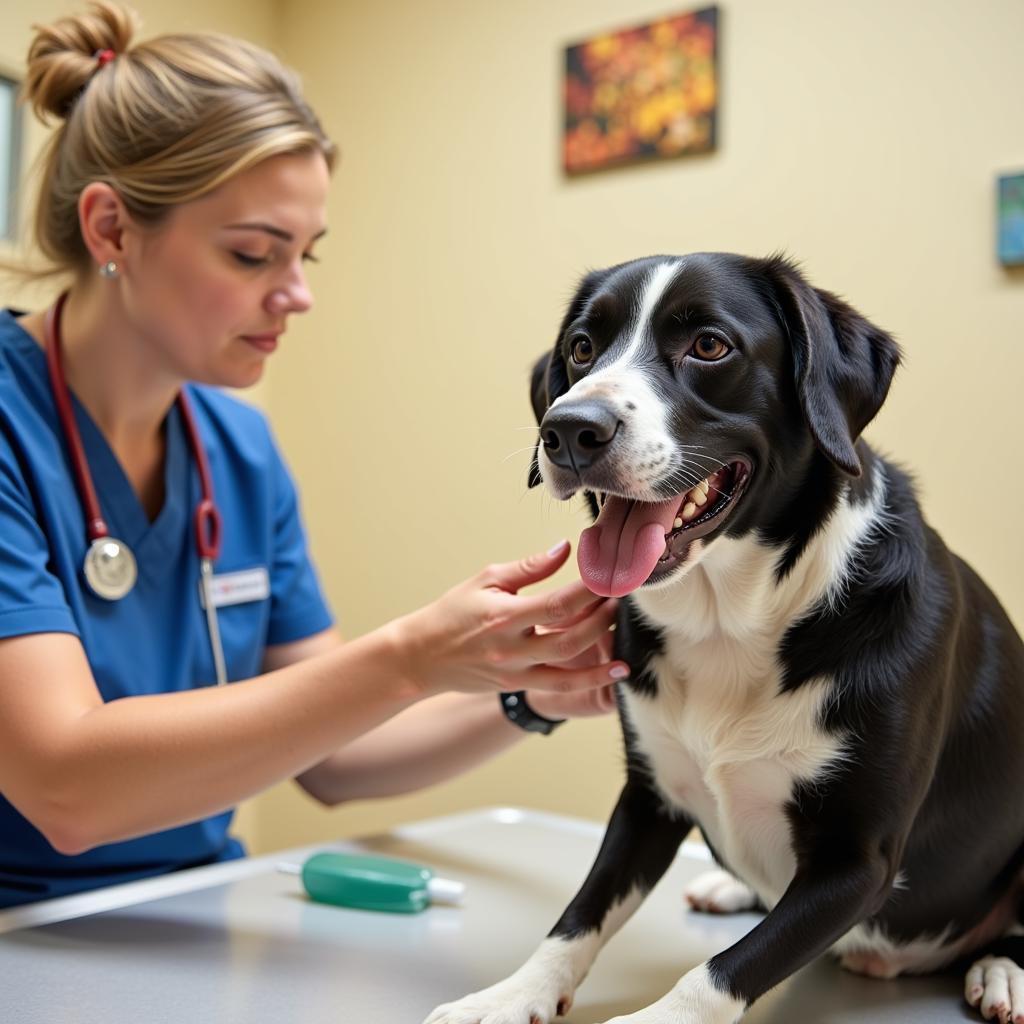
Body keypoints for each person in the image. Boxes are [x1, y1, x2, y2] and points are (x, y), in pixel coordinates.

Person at [0, 1, 627, 909]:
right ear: (110, 230)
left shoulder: (237, 449)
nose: (295, 295)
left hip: (180, 913)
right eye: (255, 254)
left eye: (307, 257)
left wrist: (528, 686)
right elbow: (65, 786)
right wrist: (412, 656)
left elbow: (333, 753)